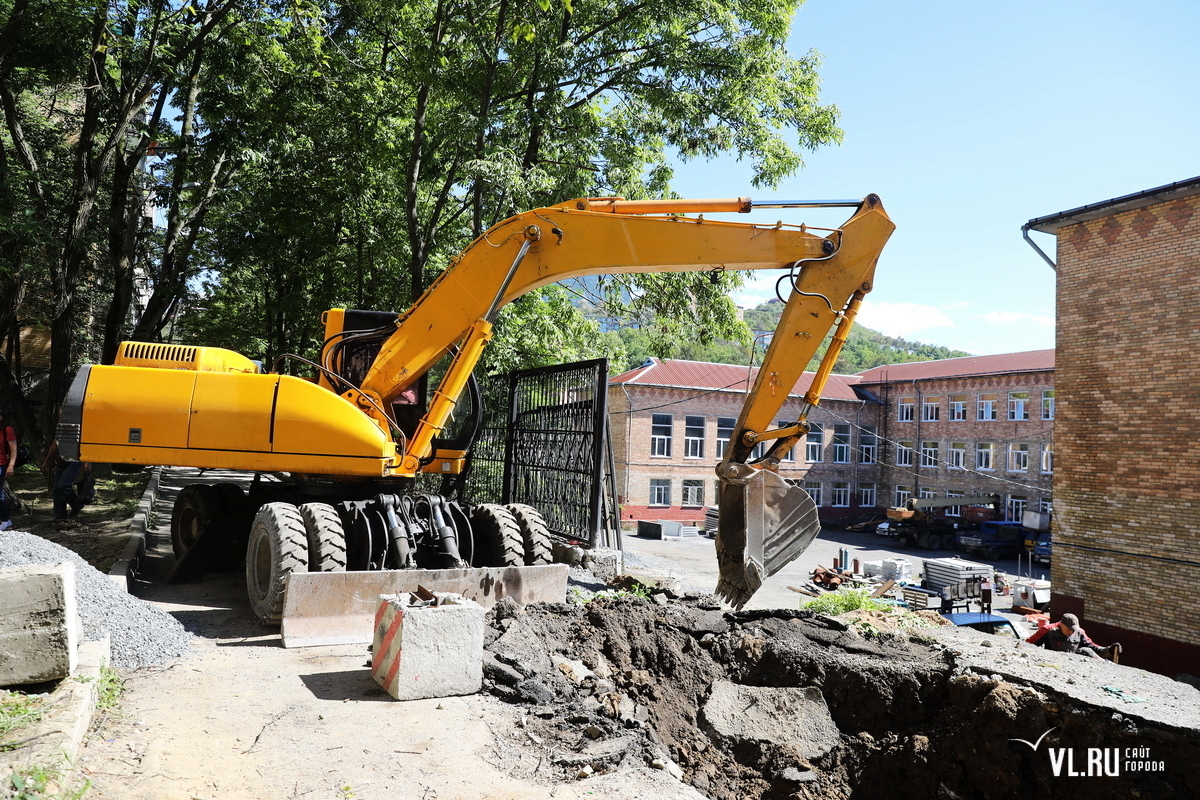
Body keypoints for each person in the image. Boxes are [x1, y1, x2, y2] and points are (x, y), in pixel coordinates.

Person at [1026, 613, 1122, 661]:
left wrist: (1109, 650)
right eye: (1069, 629)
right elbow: (1028, 645)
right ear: (1061, 624)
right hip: (1054, 662)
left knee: (1085, 650)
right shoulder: (1048, 630)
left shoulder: (1079, 632)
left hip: (1073, 664)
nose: (1071, 632)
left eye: (1073, 630)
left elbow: (1093, 647)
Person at [41, 440, 94, 521]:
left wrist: (87, 460)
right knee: (56, 490)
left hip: (76, 460)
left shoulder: (79, 428)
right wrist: (47, 460)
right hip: (61, 460)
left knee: (63, 485)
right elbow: (55, 443)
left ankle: (77, 505)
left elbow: (86, 443)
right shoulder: (61, 429)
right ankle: (60, 517)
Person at [0, 409, 16, 531]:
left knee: (0, 494)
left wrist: (11, 466)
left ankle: (6, 520)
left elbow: (13, 449)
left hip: (1, 464)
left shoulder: (7, 430)